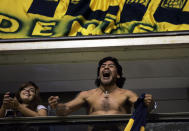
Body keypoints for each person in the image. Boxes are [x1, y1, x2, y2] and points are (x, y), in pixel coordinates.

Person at [48, 56, 155, 131]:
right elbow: (65, 110)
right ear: (99, 75)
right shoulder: (86, 95)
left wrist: (148, 102)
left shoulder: (127, 94)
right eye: (103, 66)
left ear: (118, 75)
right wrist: (56, 106)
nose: (106, 67)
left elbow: (144, 107)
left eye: (111, 66)